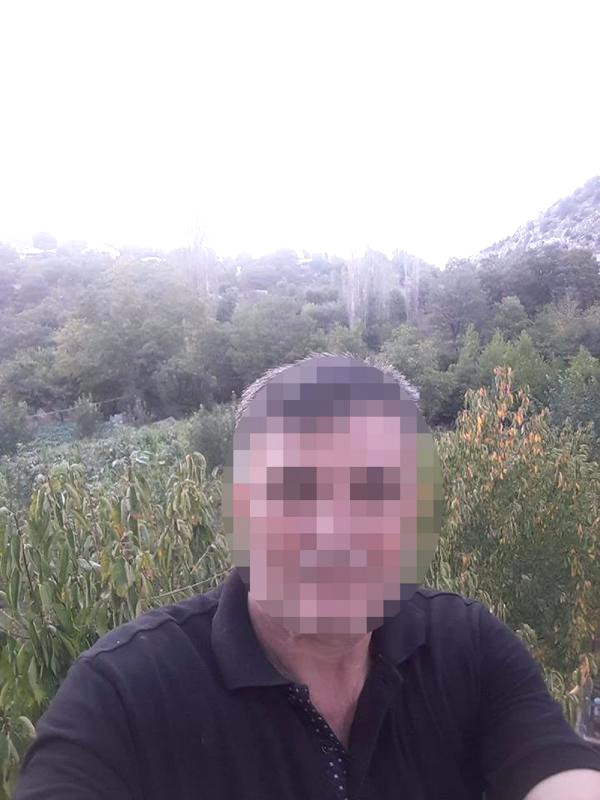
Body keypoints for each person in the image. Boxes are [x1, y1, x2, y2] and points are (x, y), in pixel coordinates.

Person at [14, 353, 600, 799]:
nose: (337, 530)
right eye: (296, 488)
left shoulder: (465, 646)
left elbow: (558, 772)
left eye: (377, 488)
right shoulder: (124, 694)